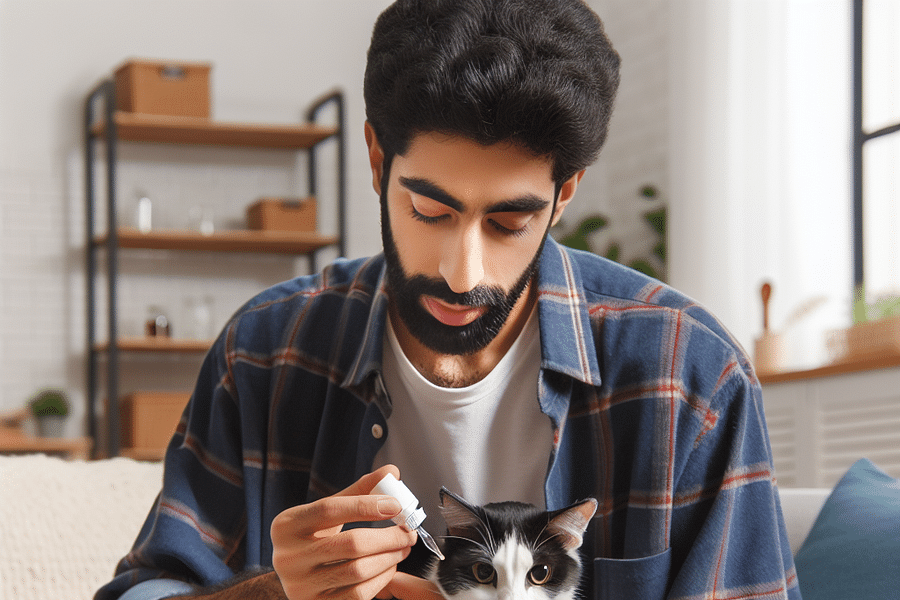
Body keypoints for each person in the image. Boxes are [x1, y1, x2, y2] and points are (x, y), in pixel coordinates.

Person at [96, 1, 800, 599]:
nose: (464, 275)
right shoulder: (265, 352)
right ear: (377, 161)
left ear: (567, 192)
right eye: (431, 211)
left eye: (508, 222)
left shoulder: (690, 379)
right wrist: (276, 593)